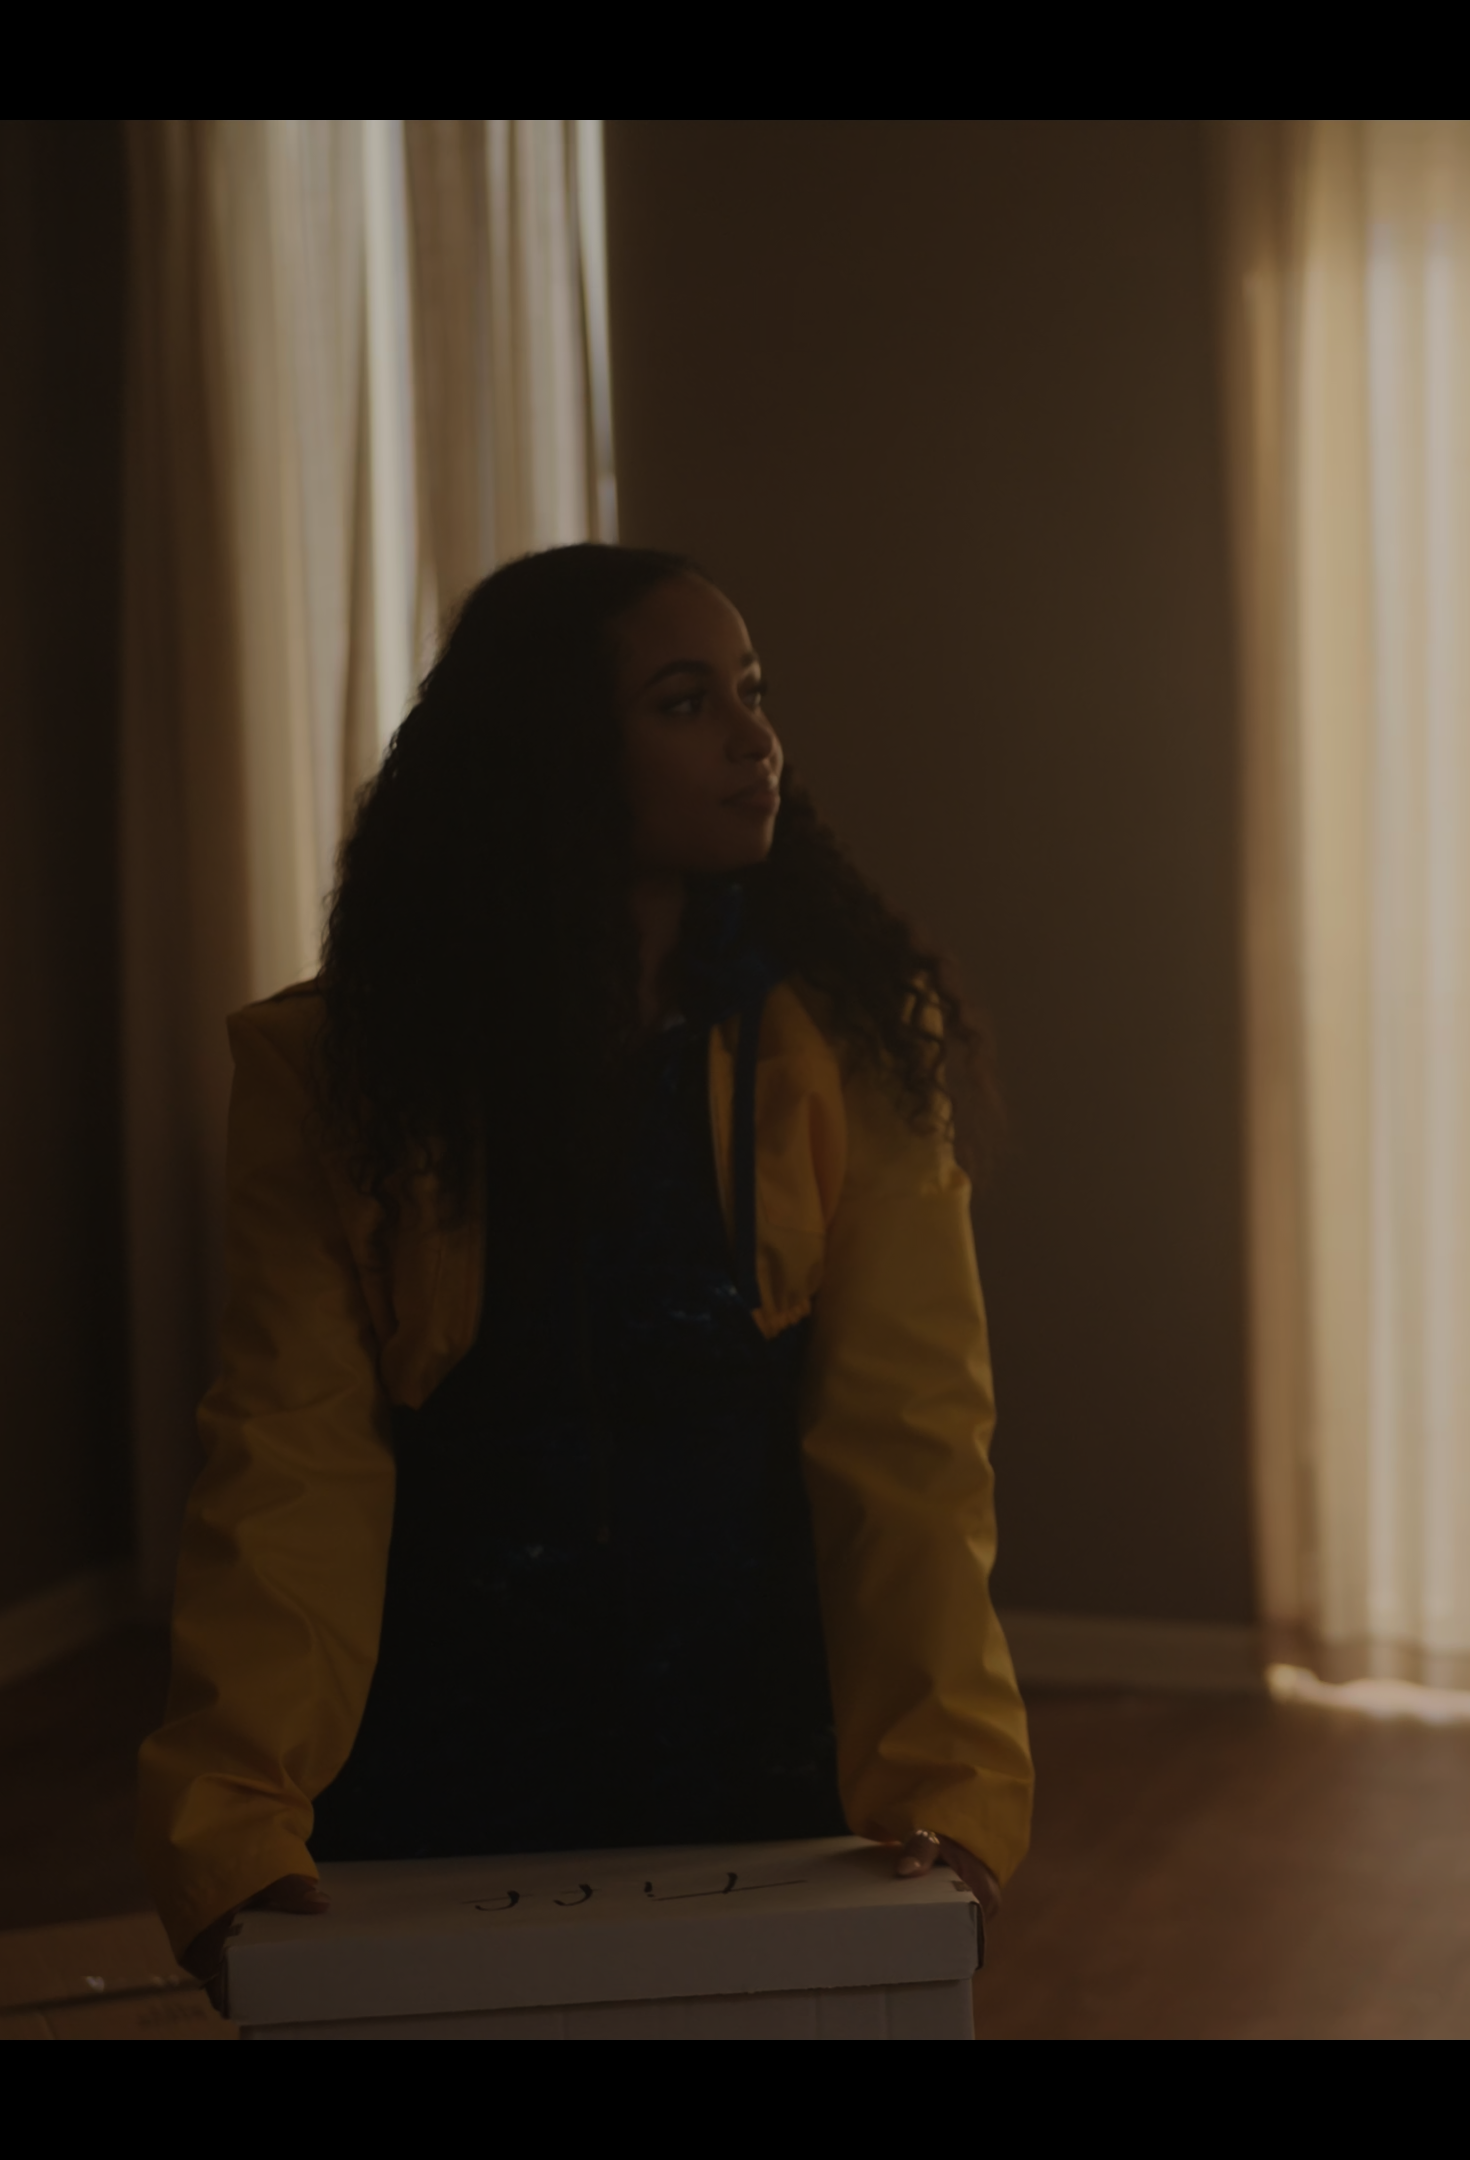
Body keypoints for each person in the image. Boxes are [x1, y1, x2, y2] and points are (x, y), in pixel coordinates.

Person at [138, 545, 1031, 1975]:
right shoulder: (340, 1074)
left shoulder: (844, 1056)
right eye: (686, 701)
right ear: (554, 749)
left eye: (752, 692)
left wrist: (951, 1790)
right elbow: (290, 1454)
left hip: (765, 1756)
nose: (754, 738)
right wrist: (231, 1816)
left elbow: (912, 1448)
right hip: (440, 1762)